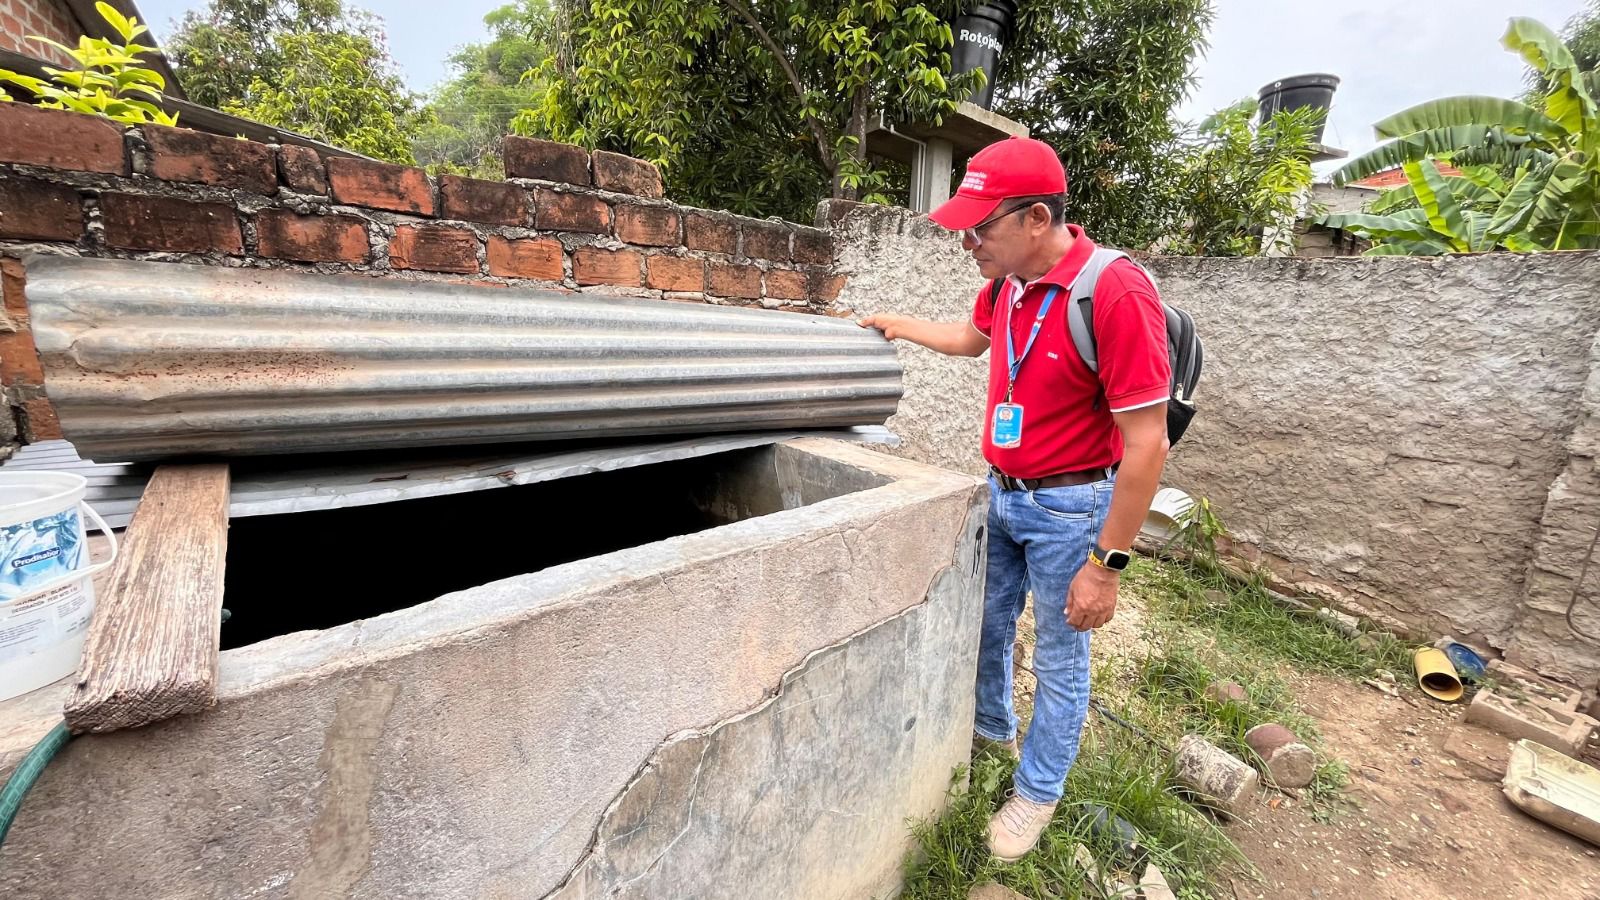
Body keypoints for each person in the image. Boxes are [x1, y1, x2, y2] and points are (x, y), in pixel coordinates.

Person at [859, 136, 1171, 862]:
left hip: (1071, 510)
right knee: (987, 626)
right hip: (1001, 496)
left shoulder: (1114, 291)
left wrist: (1106, 566)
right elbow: (970, 340)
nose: (969, 242)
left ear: (1037, 218)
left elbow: (1148, 443)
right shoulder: (1009, 285)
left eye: (981, 227)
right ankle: (991, 733)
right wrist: (898, 325)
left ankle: (1036, 791)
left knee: (1060, 658)